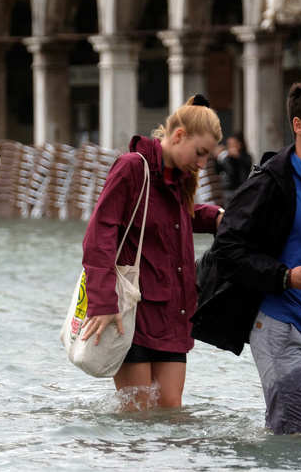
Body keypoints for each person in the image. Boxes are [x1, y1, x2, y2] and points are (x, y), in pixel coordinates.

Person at [191, 80, 301, 434]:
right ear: (298, 125)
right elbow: (228, 249)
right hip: (279, 326)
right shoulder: (270, 183)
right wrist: (284, 277)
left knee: (290, 437)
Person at [80, 95, 224, 410]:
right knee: (137, 413)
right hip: (132, 312)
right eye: (200, 153)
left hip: (174, 311)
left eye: (207, 157)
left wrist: (214, 217)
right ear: (178, 136)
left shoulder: (180, 178)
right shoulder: (133, 167)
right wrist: (103, 303)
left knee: (172, 410)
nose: (202, 164)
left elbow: (174, 217)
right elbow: (98, 234)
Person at [215, 133, 253, 200]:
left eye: (233, 144)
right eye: (229, 144)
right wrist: (216, 157)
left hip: (242, 190)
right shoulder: (226, 158)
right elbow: (217, 170)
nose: (230, 146)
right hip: (227, 191)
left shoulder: (245, 157)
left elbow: (247, 166)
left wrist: (237, 156)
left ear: (239, 144)